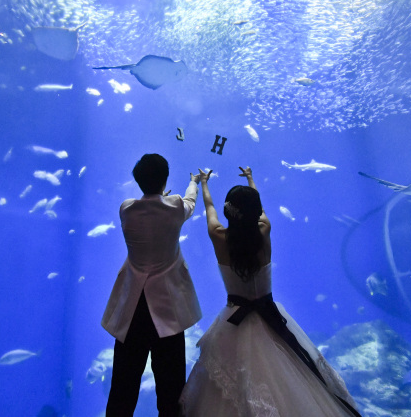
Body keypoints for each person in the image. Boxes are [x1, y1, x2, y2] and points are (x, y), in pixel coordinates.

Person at [180, 166, 361, 417]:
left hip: (233, 323)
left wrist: (204, 183)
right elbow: (260, 208)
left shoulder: (218, 236)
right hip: (272, 317)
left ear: (228, 210)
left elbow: (209, 208)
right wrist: (252, 179)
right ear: (255, 213)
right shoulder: (265, 231)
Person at [102, 153, 202, 417]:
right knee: (171, 392)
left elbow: (152, 207)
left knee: (123, 388)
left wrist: (158, 196)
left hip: (131, 309)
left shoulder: (126, 209)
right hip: (167, 311)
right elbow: (190, 201)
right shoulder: (175, 208)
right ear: (165, 180)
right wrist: (194, 181)